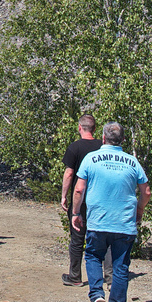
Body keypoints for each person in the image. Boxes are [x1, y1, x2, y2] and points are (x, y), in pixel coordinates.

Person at [71, 122, 150, 302]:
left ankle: (96, 294)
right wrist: (139, 209)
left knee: (93, 256)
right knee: (121, 265)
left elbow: (79, 189)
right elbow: (146, 191)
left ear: (103, 139)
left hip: (99, 220)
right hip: (124, 222)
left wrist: (75, 213)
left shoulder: (91, 159)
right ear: (123, 140)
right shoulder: (132, 162)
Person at [60, 114, 102, 286]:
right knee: (101, 236)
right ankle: (108, 276)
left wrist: (64, 196)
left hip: (81, 199)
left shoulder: (74, 148)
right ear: (95, 128)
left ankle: (75, 276)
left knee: (77, 237)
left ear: (79, 128)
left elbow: (69, 173)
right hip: (100, 198)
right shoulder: (103, 147)